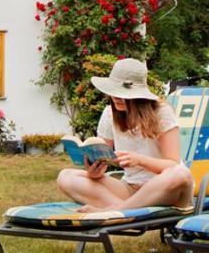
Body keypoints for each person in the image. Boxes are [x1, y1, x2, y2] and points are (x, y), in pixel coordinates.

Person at [55, 57, 194, 212]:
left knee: (181, 173)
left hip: (165, 189)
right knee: (66, 176)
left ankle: (115, 211)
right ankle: (124, 210)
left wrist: (139, 160)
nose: (116, 97)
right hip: (130, 189)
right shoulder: (109, 114)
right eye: (114, 92)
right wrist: (94, 171)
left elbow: (172, 164)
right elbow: (103, 158)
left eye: (122, 93)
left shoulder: (161, 112)